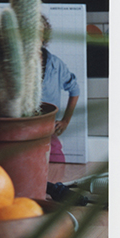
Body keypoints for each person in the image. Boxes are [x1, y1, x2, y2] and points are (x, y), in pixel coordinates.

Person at [41, 16, 80, 163]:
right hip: (22, 128)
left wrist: (65, 121)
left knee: (57, 161)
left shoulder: (56, 64)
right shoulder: (14, 63)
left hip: (48, 128)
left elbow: (74, 90)